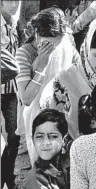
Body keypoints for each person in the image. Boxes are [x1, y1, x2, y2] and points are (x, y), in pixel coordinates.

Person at [16, 7, 81, 168]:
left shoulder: (67, 48)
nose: (53, 51)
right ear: (37, 33)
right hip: (38, 121)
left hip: (65, 117)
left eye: (56, 45)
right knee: (43, 170)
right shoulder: (24, 54)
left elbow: (79, 76)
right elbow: (26, 98)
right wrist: (42, 67)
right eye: (48, 45)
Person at [0, 1, 21, 188]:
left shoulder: (13, 22)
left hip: (11, 90)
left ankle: (8, 178)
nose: (15, 4)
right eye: (10, 0)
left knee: (14, 136)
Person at [23, 109, 70, 189]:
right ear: (33, 140)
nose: (46, 142)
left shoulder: (72, 162)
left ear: (64, 140)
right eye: (39, 137)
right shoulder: (35, 180)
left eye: (53, 136)